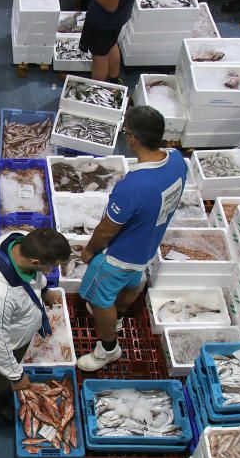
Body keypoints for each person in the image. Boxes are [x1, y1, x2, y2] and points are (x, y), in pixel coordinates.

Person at [75, 105, 186, 372]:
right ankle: (120, 317)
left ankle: (108, 349)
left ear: (133, 138)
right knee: (132, 282)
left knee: (97, 299)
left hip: (118, 256)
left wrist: (90, 251)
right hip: (146, 248)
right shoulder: (177, 160)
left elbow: (106, 230)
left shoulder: (133, 186)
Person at [0, 228, 71, 458]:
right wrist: (16, 376)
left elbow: (32, 279)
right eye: (49, 267)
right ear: (36, 261)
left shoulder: (19, 240)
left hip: (16, 341)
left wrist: (45, 290)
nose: (50, 272)